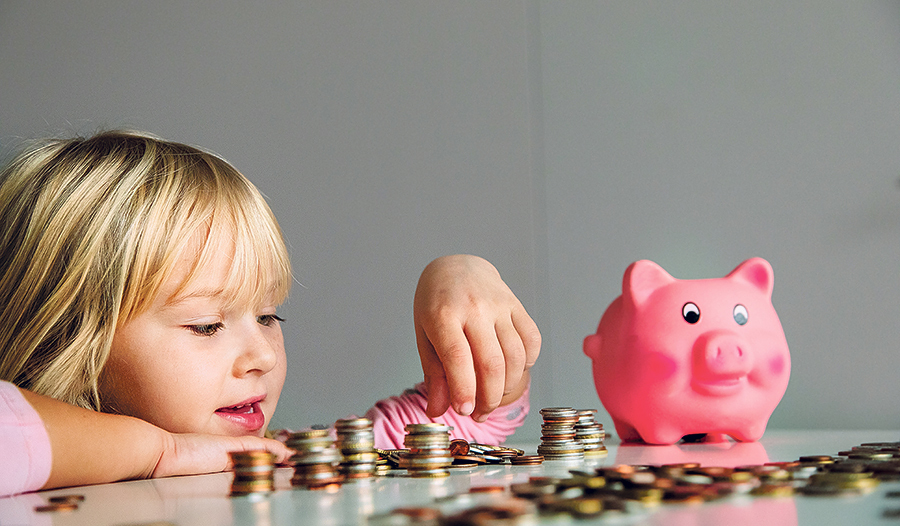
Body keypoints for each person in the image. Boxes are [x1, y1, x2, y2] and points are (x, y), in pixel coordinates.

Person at [0, 130, 540, 496]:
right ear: (66, 339)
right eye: (206, 324)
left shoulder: (300, 460)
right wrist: (156, 452)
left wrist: (459, 275)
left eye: (267, 317)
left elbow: (475, 416)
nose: (261, 355)